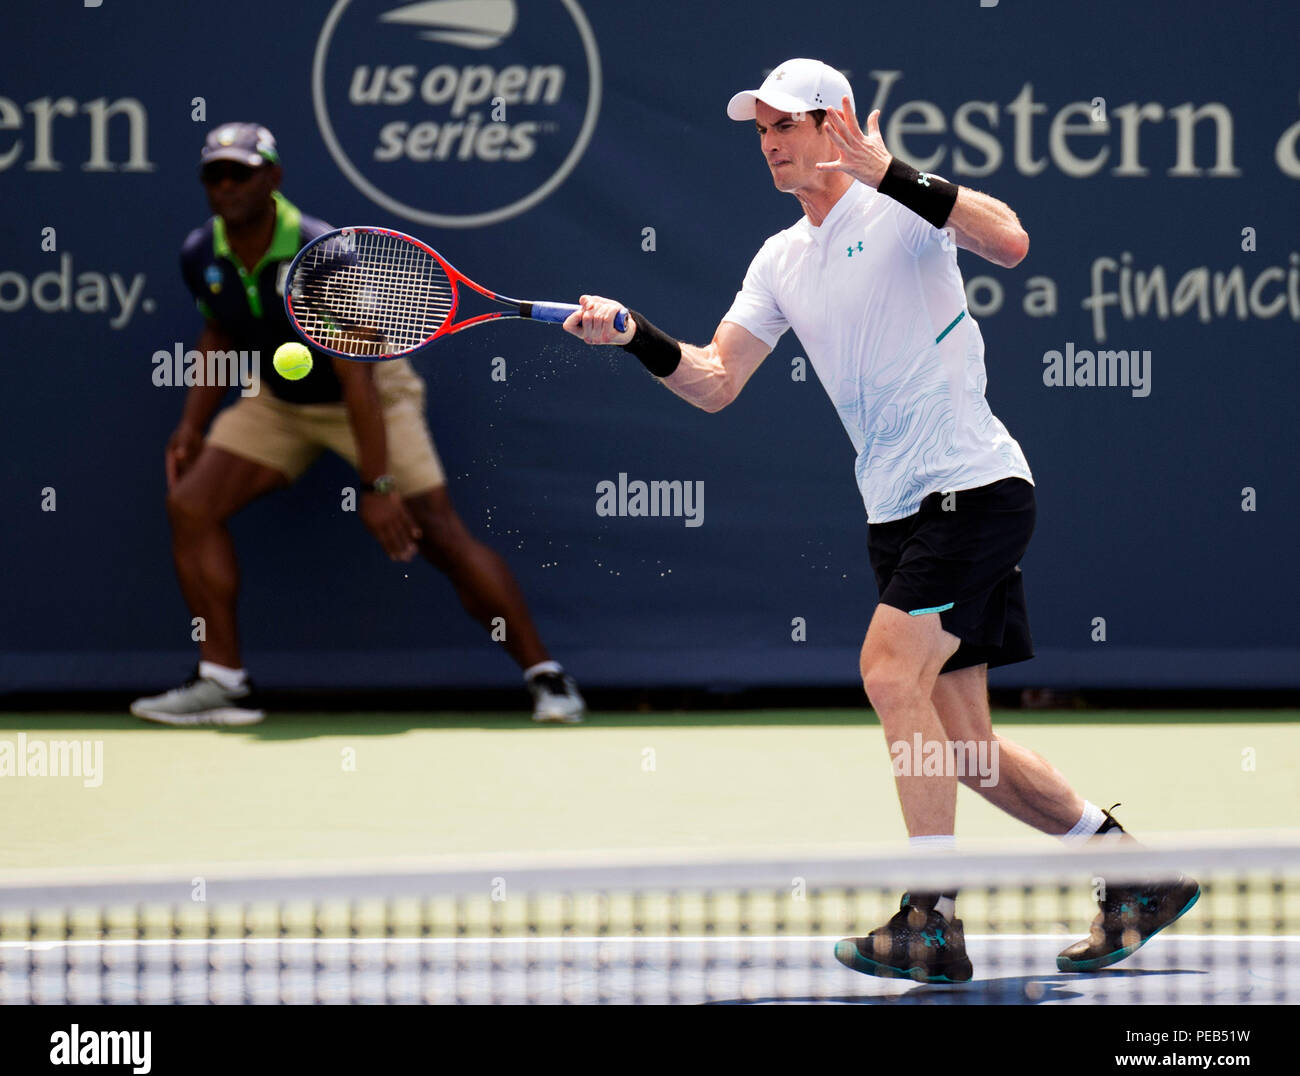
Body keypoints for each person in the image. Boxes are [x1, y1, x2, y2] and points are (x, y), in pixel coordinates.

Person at [561, 60, 1196, 980]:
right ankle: (1136, 877)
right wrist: (635, 337)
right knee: (967, 751)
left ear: (837, 120)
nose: (772, 142)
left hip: (971, 491)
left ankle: (929, 918)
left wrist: (889, 170)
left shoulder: (899, 205)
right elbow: (715, 382)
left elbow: (1012, 241)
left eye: (787, 123)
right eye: (761, 129)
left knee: (886, 669)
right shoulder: (779, 258)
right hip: (898, 510)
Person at [131, 122, 584, 726]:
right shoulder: (200, 252)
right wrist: (191, 426)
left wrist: (377, 487)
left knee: (440, 535)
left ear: (273, 178)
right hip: (279, 401)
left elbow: (358, 379)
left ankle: (546, 677)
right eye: (215, 175)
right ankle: (222, 683)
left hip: (371, 395)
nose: (227, 185)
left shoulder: (322, 252)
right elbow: (219, 333)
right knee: (190, 505)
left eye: (241, 172)